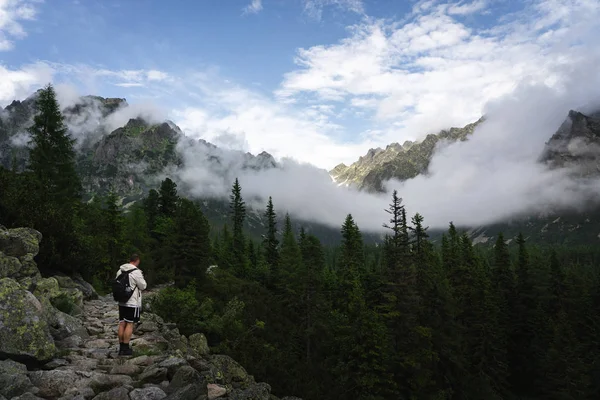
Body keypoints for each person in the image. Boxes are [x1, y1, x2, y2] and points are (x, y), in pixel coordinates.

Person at [116, 254, 147, 355]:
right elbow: (143, 286)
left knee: (121, 323)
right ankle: (126, 348)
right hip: (132, 302)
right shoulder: (136, 272)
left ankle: (121, 347)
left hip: (121, 301)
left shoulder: (120, 270)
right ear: (137, 261)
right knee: (129, 324)